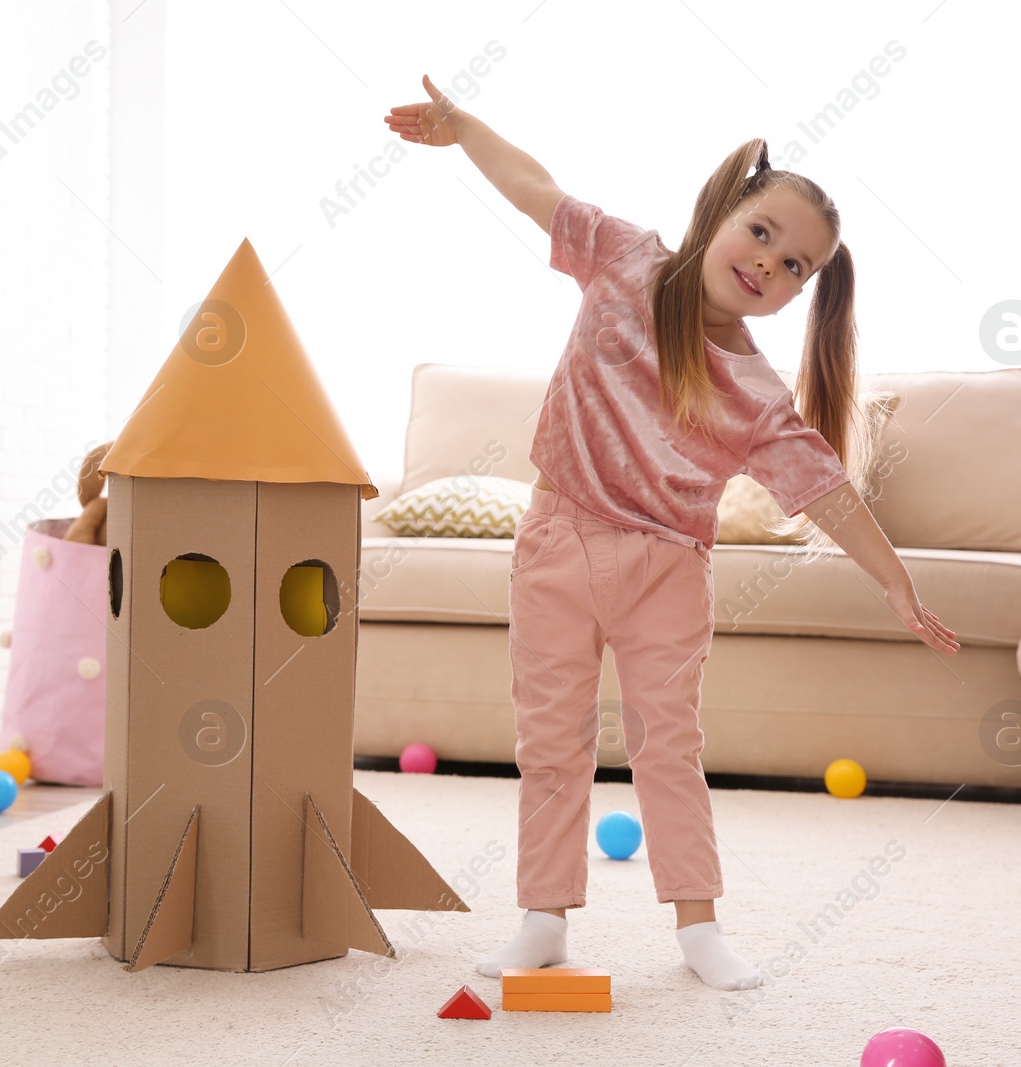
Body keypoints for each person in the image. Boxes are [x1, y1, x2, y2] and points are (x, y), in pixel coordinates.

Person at [384, 75, 960, 991]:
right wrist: (465, 130)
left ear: (803, 290)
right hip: (557, 541)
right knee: (552, 738)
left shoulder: (761, 394)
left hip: (667, 570)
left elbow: (829, 495)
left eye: (797, 266)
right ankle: (542, 918)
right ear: (724, 212)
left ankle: (699, 927)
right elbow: (538, 189)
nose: (770, 263)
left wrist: (894, 580)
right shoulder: (623, 260)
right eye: (763, 231)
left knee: (667, 746)